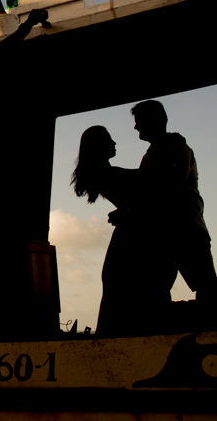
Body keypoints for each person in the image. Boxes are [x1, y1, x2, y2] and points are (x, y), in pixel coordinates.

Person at [71, 126, 173, 336]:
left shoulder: (104, 174)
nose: (115, 143)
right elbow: (151, 184)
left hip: (128, 243)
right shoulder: (107, 174)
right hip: (133, 245)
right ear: (98, 146)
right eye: (109, 140)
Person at [131, 100, 217, 295]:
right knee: (157, 292)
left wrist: (133, 211)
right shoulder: (154, 154)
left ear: (154, 121)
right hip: (168, 235)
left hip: (186, 234)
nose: (135, 126)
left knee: (207, 289)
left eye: (139, 120)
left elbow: (166, 189)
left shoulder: (177, 150)